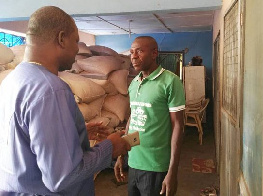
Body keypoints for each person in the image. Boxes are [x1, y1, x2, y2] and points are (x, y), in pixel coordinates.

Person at [0, 6, 130, 195]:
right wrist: (109, 148)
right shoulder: (51, 89)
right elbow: (62, 177)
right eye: (76, 41)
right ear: (61, 38)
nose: (78, 49)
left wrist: (75, 134)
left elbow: (24, 138)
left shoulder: (13, 79)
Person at [114, 36, 186, 196]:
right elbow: (133, 118)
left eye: (139, 51)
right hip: (133, 163)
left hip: (156, 165)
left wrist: (172, 172)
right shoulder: (135, 83)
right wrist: (122, 154)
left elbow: (178, 127)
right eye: (132, 52)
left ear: (154, 53)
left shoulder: (170, 81)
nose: (133, 56)